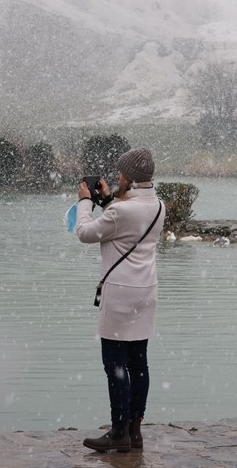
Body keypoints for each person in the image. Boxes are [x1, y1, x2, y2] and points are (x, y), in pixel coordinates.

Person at [74, 147, 165, 452]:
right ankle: (134, 430)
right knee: (139, 362)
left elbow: (85, 233)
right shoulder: (158, 206)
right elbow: (128, 223)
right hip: (146, 292)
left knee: (115, 363)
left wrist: (86, 202)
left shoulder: (121, 211)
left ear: (130, 177)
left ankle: (117, 432)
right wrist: (108, 200)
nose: (117, 176)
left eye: (121, 172)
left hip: (120, 293)